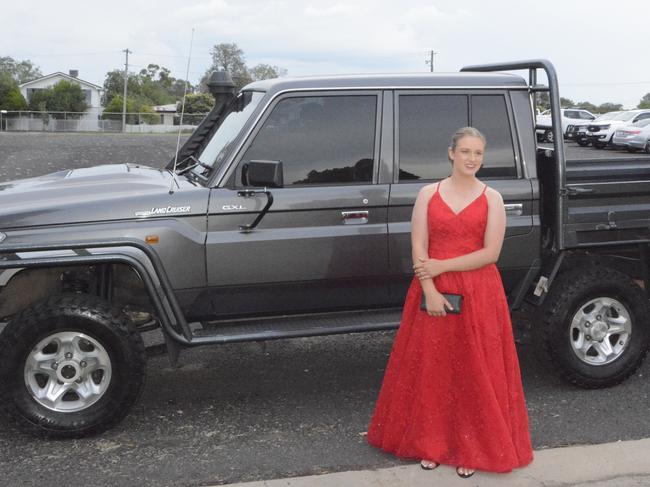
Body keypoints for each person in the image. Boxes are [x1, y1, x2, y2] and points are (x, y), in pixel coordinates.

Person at [367, 127, 533, 478]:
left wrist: (444, 265)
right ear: (451, 154)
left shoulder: (492, 198)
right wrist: (429, 287)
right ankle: (432, 445)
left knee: (475, 371)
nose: (472, 159)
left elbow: (491, 253)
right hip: (432, 290)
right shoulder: (429, 194)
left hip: (479, 293)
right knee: (434, 369)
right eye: (466, 151)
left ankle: (470, 448)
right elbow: (418, 245)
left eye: (478, 153)